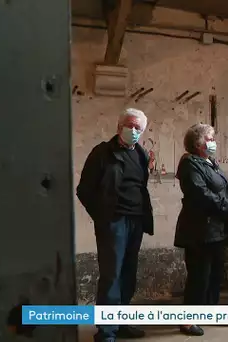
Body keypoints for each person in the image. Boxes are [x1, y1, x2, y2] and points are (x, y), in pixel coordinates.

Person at [77, 108, 153, 342]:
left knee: (129, 274)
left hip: (135, 221)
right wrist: (103, 217)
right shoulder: (102, 153)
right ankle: (106, 331)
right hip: (114, 222)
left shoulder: (140, 154)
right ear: (119, 126)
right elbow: (84, 190)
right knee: (112, 275)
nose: (134, 130)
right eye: (130, 125)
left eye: (138, 128)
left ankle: (121, 322)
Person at [174, 124, 228, 336]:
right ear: (199, 143)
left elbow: (224, 188)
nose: (214, 143)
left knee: (215, 274)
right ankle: (187, 320)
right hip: (199, 230)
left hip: (218, 228)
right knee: (199, 275)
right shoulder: (190, 164)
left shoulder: (210, 162)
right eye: (210, 139)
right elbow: (200, 194)